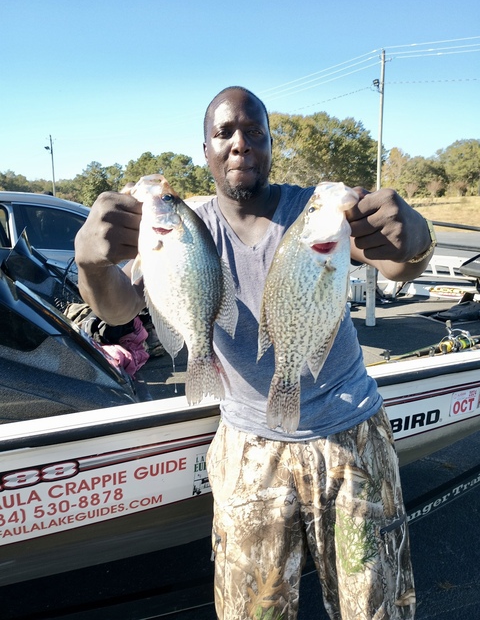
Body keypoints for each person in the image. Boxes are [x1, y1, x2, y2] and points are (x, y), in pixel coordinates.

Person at [75, 86, 435, 619]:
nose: (240, 144)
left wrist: (415, 239)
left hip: (352, 433)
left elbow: (398, 264)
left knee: (376, 610)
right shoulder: (185, 227)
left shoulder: (315, 213)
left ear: (269, 145)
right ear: (206, 150)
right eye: (224, 133)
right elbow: (121, 311)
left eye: (254, 132)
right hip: (247, 446)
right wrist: (92, 264)